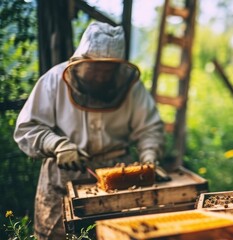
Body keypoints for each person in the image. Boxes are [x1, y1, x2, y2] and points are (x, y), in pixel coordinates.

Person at [13, 21, 165, 239]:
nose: (101, 77)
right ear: (82, 61)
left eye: (108, 70)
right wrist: (57, 145)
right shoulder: (54, 80)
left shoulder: (131, 87)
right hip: (64, 179)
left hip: (119, 180)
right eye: (95, 69)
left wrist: (149, 155)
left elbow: (150, 128)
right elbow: (28, 128)